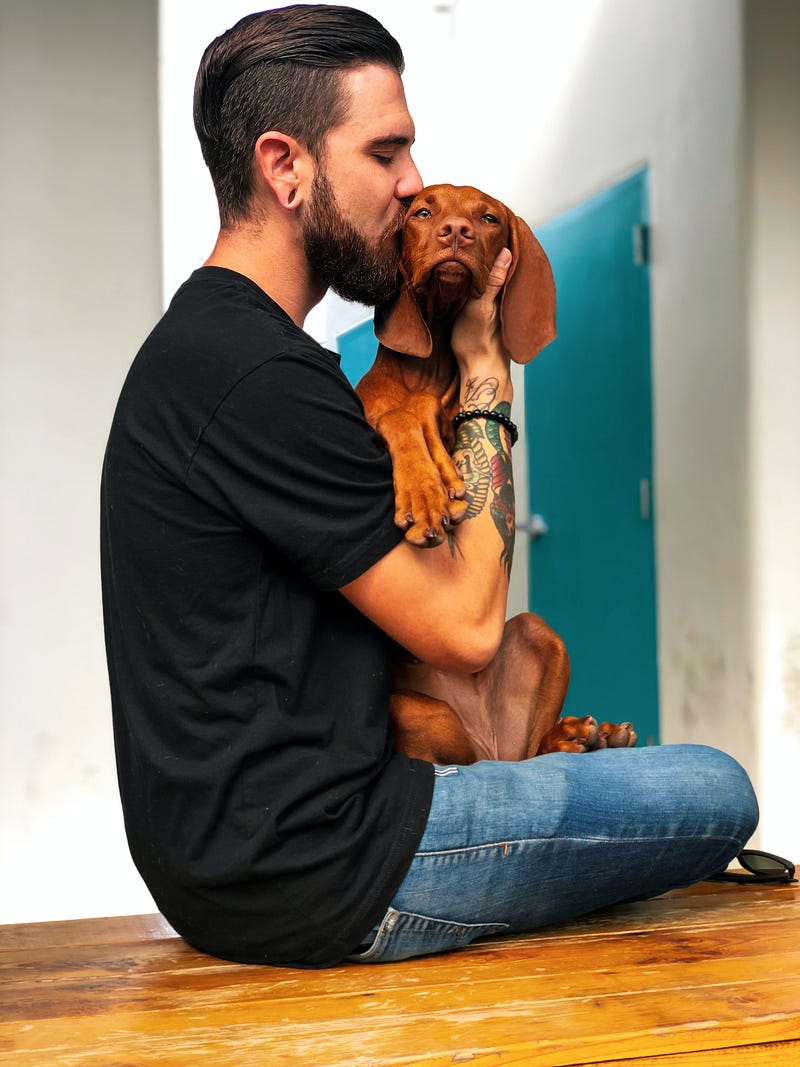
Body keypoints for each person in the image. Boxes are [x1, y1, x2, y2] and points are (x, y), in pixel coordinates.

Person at [101, 4, 758, 968]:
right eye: (386, 152)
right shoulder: (257, 376)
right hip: (328, 862)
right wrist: (486, 370)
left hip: (253, 855)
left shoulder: (222, 349)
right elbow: (465, 629)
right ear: (286, 168)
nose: (412, 184)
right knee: (714, 787)